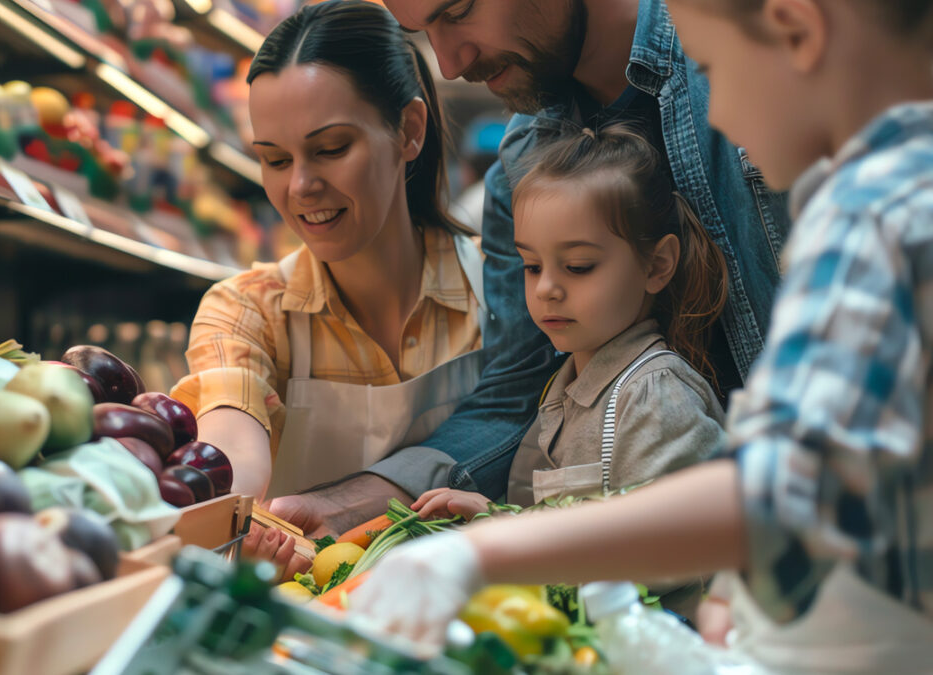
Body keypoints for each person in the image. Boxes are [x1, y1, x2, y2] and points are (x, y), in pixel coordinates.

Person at [349, 0, 933, 670]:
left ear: (797, 29)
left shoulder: (876, 212)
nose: (715, 114)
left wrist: (481, 551)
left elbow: (780, 494)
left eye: (713, 67)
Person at [267, 0, 790, 539]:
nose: (448, 63)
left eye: (459, 10)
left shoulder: (765, 58)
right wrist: (352, 504)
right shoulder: (520, 166)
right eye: (423, 31)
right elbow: (513, 397)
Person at [170, 1, 485, 571]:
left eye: (332, 148)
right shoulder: (247, 309)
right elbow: (229, 440)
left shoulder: (506, 292)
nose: (301, 186)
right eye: (274, 159)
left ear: (409, 130)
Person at [417, 124, 727, 526]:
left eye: (578, 267)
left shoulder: (654, 398)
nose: (546, 289)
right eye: (531, 266)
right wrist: (496, 517)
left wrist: (509, 530)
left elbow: (662, 548)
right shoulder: (567, 382)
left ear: (657, 265)